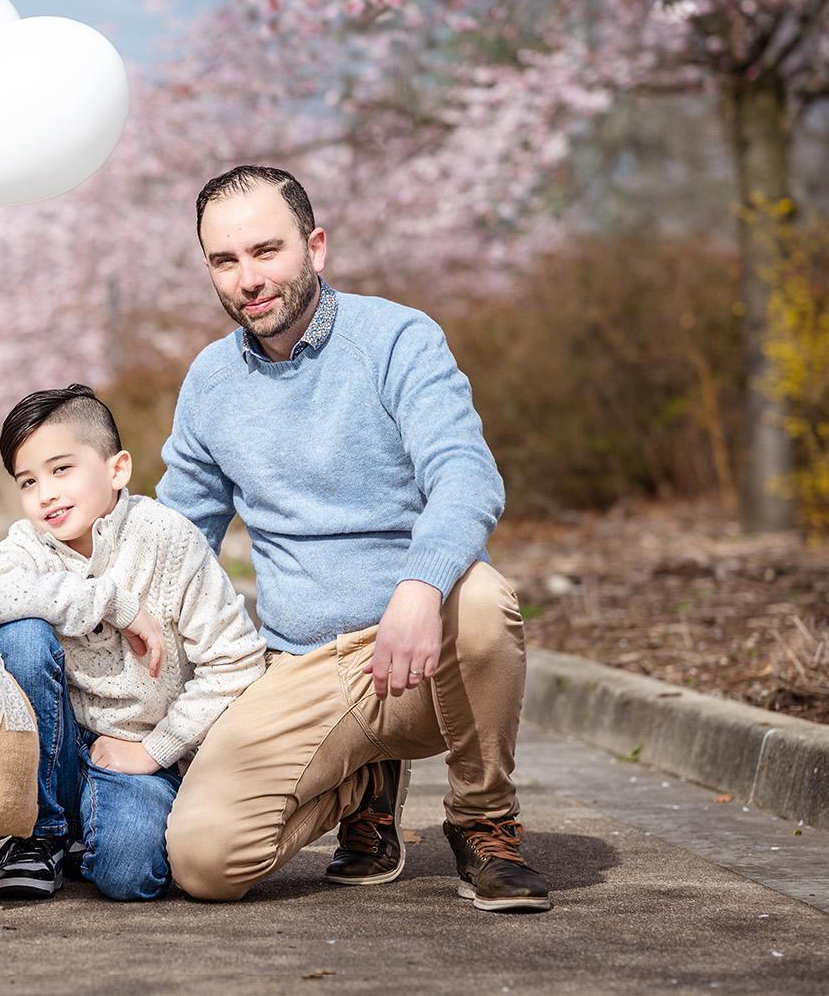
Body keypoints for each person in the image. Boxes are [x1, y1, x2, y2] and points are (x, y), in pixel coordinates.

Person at [156, 165, 550, 912]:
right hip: (299, 665)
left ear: (315, 246)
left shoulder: (397, 337)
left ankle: (482, 820)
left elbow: (466, 477)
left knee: (482, 599)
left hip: (422, 650)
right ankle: (361, 785)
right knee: (203, 862)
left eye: (266, 250)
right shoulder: (209, 381)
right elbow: (178, 533)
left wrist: (417, 586)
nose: (248, 278)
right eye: (224, 260)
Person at [0, 385, 265, 902]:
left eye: (62, 470)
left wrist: (157, 749)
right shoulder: (30, 543)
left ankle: (91, 829)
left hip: (134, 748)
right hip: (53, 750)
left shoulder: (167, 539)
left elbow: (236, 662)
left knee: (129, 874)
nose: (46, 494)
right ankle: (41, 833)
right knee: (23, 636)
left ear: (117, 469)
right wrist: (110, 602)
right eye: (28, 481)